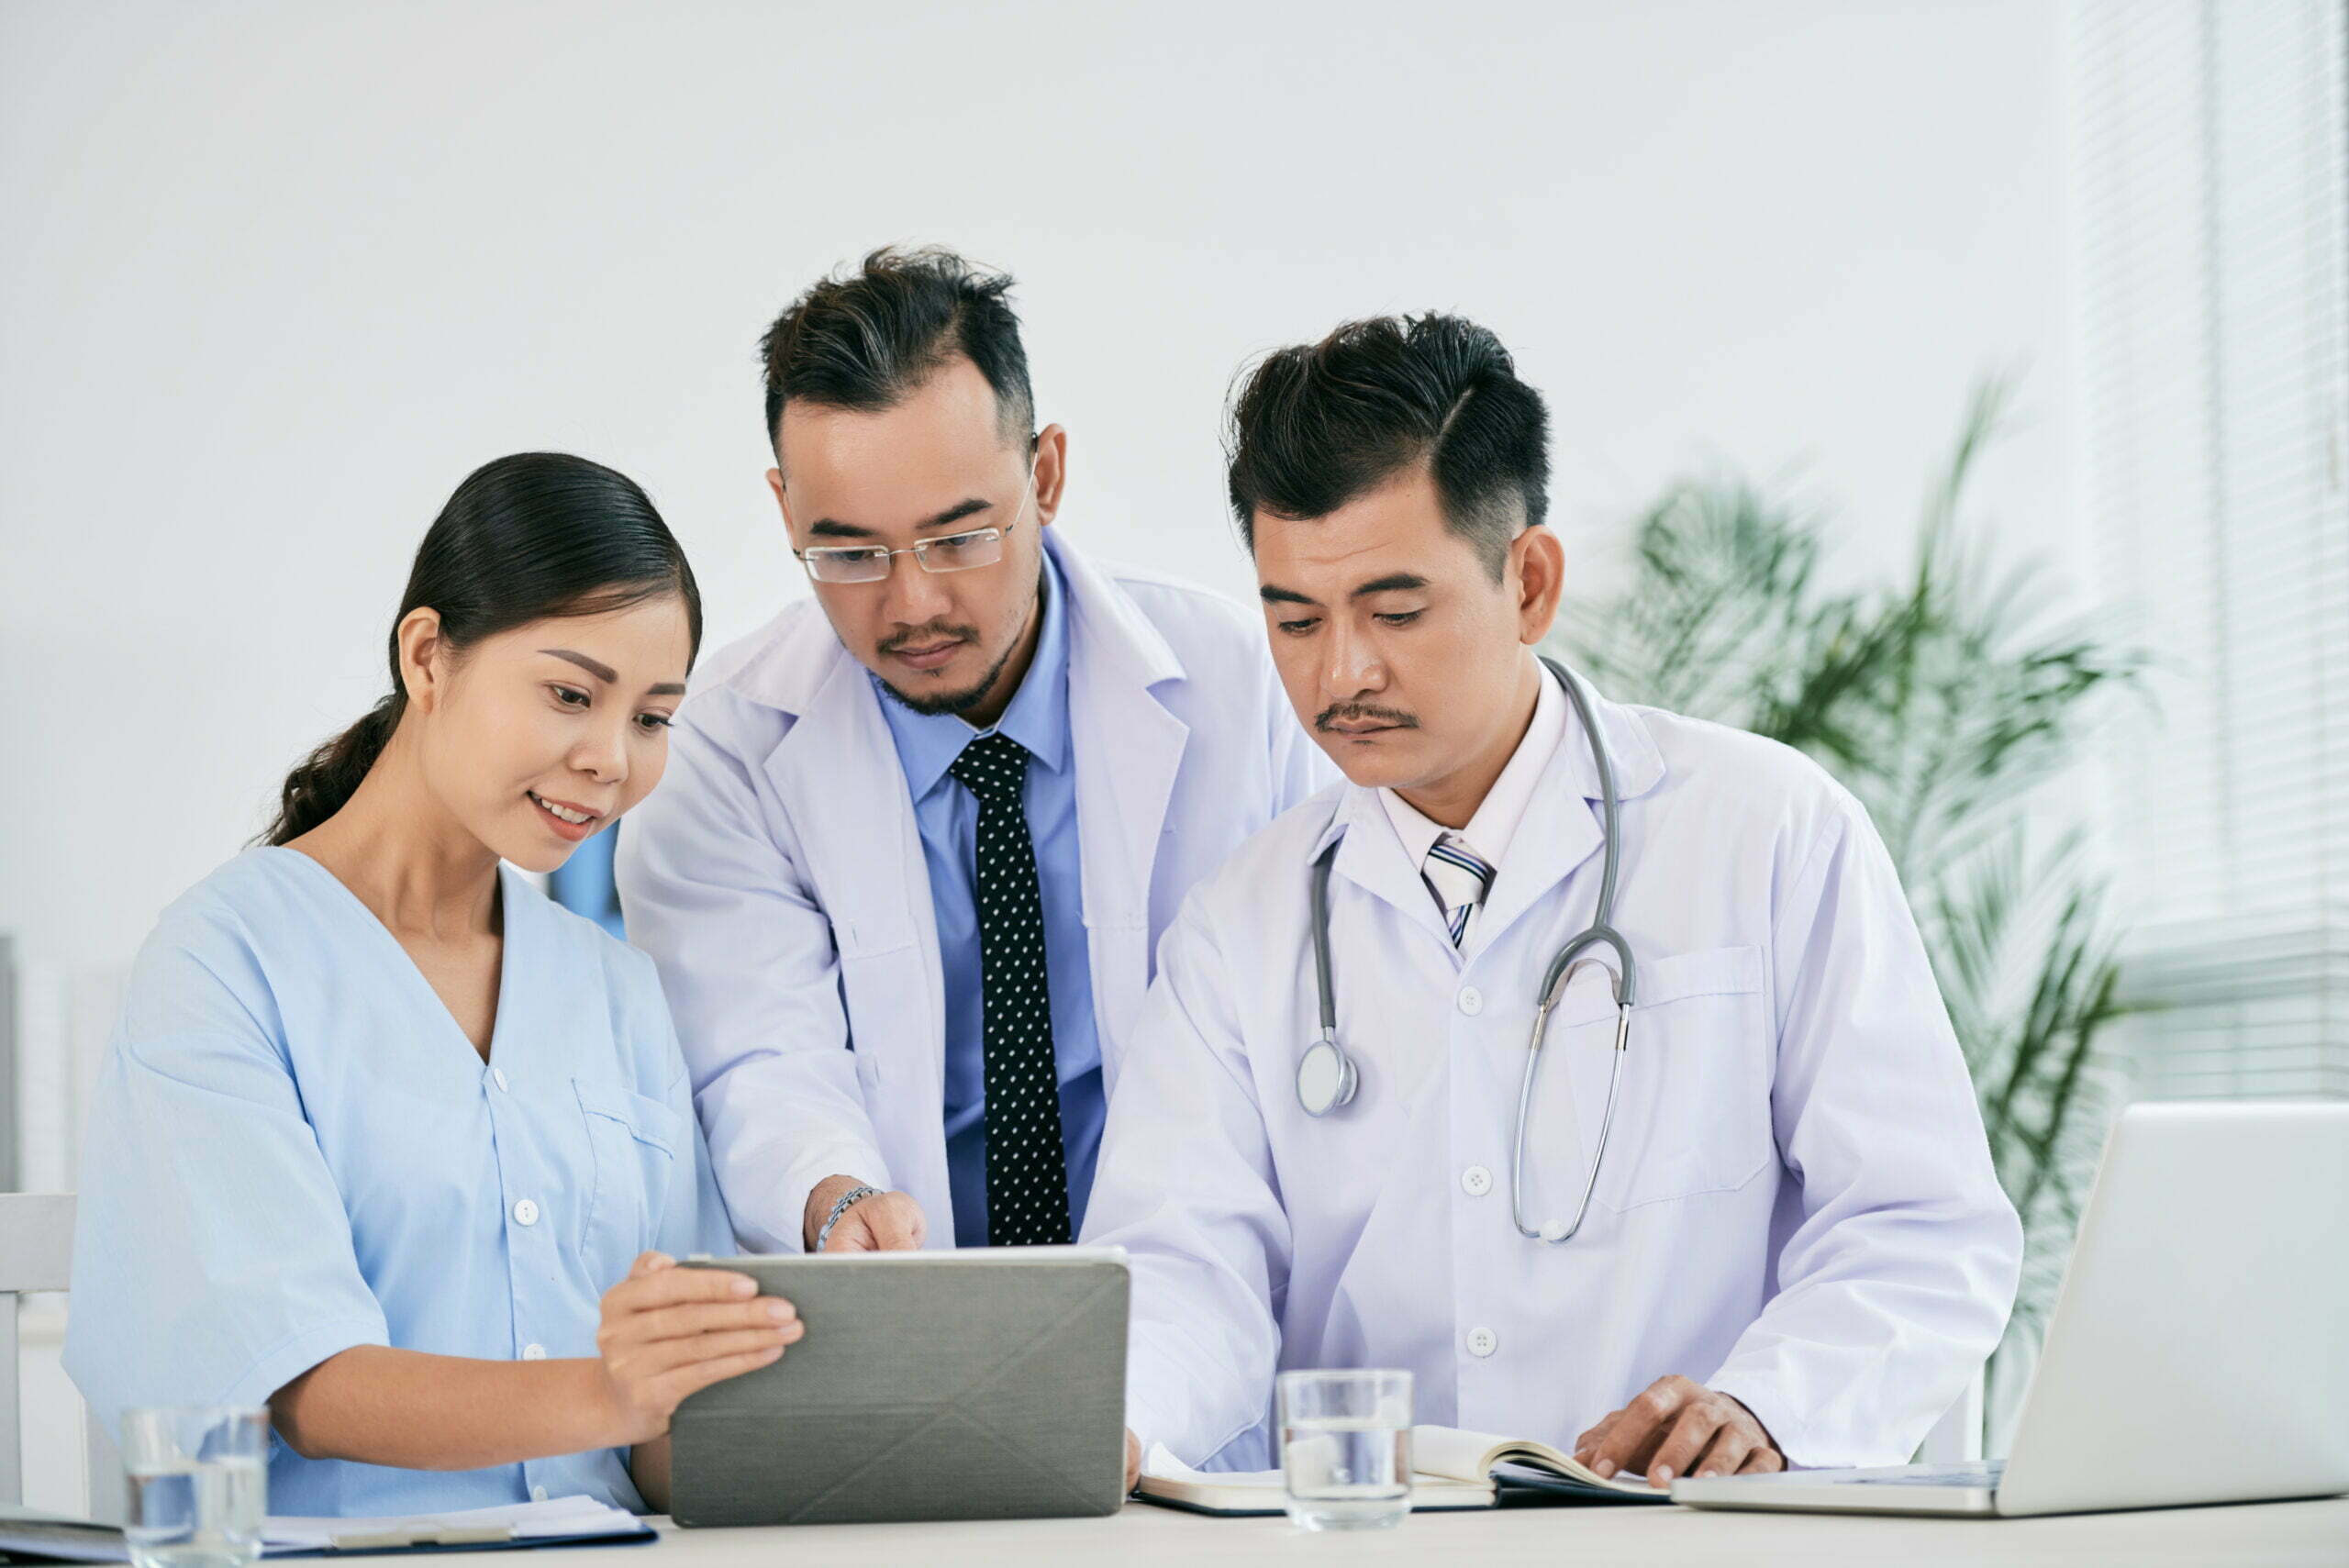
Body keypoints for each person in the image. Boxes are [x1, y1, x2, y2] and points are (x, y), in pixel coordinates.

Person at [1084, 317, 2024, 1484]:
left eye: (1395, 609)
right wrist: (1118, 1419)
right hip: (1388, 1540)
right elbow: (1187, 1266)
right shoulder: (1242, 924)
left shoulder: (1765, 827)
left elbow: (1919, 1222)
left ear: (1527, 582)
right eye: (1294, 618)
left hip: (1690, 1534)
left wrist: (1769, 1403)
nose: (1341, 674)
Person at [67, 454, 793, 1517]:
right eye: (569, 693)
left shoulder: (615, 989)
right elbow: (298, 1378)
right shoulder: (227, 959)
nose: (609, 758)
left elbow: (679, 1417)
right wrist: (605, 1393)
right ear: (427, 657)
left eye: (650, 717)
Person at [617, 248, 1329, 1254]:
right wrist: (832, 1195)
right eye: (851, 553)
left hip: (1197, 1296)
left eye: (959, 539)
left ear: (1044, 475)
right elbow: (755, 1051)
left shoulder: (1238, 683)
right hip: (908, 1318)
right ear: (783, 508)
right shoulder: (723, 746)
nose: (912, 605)